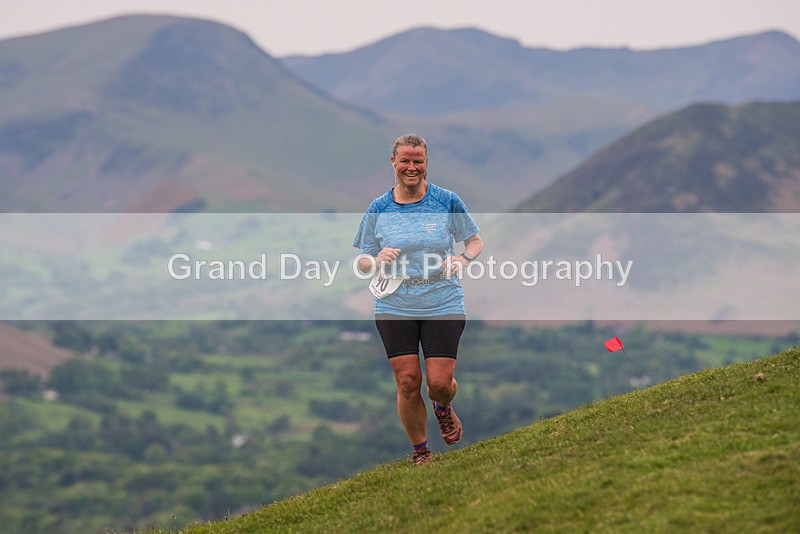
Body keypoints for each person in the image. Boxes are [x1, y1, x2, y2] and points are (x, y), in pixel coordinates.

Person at [353, 133, 483, 466]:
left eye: (418, 161)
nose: (411, 167)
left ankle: (442, 405)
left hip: (442, 298)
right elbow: (362, 261)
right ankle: (421, 452)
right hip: (394, 301)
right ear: (393, 162)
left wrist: (462, 259)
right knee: (408, 381)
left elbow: (475, 242)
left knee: (438, 383)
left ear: (426, 163)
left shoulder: (446, 200)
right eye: (405, 161)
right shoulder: (379, 208)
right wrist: (376, 260)